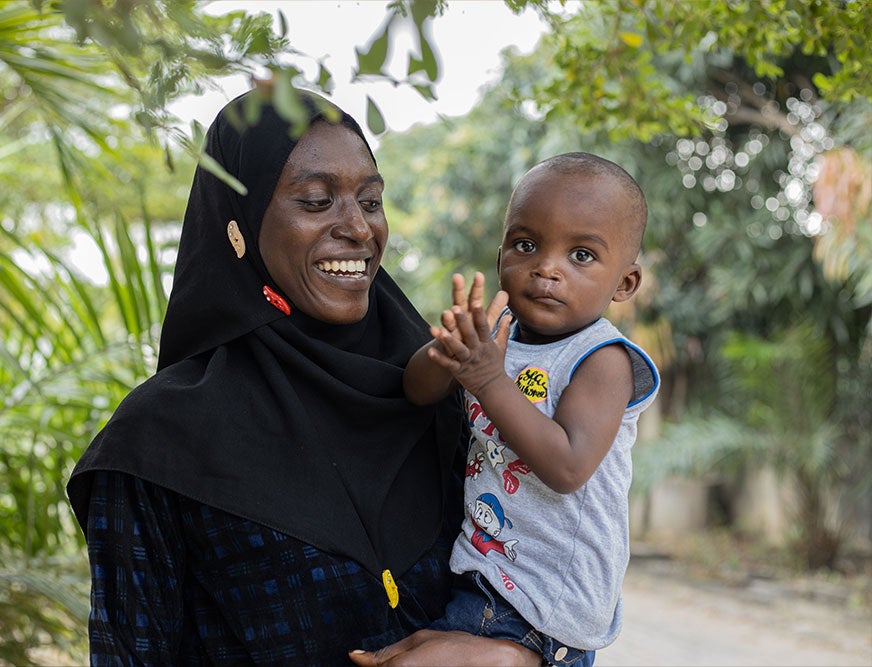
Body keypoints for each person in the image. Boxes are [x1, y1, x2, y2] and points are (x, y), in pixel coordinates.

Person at [66, 84, 541, 666]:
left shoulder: (437, 391)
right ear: (238, 225)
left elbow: (548, 576)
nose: (360, 230)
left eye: (370, 201)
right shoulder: (157, 440)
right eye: (316, 201)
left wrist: (515, 658)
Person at [386, 153, 660, 667]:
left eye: (581, 255)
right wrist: (451, 351)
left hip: (547, 609)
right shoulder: (495, 335)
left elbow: (568, 467)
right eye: (526, 245)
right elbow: (416, 390)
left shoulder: (603, 359)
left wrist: (487, 377)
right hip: (482, 579)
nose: (546, 267)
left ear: (624, 283)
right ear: (500, 258)